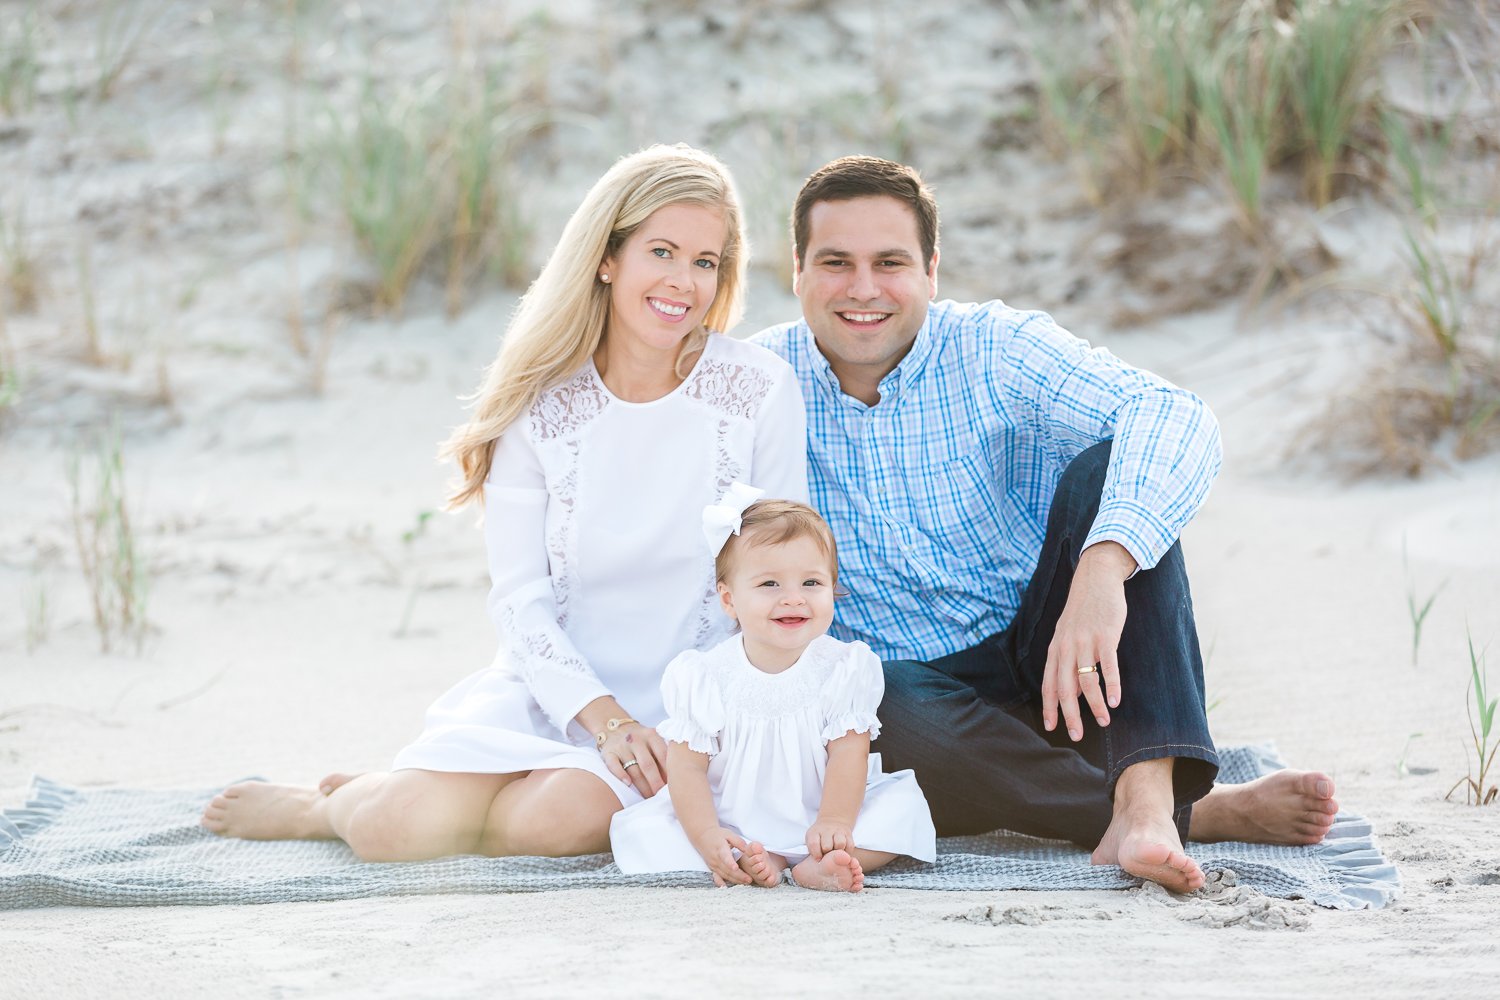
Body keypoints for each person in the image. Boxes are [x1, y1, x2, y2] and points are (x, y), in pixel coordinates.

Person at [201, 144, 808, 861]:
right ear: (607, 257)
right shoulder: (541, 406)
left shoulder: (759, 391)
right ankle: (327, 808)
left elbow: (782, 574)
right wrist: (603, 719)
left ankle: (454, 801)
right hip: (557, 687)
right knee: (398, 830)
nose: (684, 281)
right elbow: (521, 602)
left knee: (558, 822)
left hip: (692, 704)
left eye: (706, 262)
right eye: (663, 251)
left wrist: (706, 727)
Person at [753, 156, 1340, 894]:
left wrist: (1103, 569)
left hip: (1063, 666)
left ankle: (1149, 801)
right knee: (865, 696)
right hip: (910, 715)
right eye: (835, 262)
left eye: (891, 262)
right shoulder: (756, 385)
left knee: (1115, 475)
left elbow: (1172, 414)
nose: (863, 289)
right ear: (797, 270)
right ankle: (1187, 811)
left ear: (931, 271)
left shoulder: (994, 347)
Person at [609, 490, 936, 892]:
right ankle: (752, 857)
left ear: (832, 587)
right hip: (733, 816)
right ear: (729, 599)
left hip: (824, 812)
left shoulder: (844, 667)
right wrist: (707, 835)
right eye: (769, 583)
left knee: (901, 811)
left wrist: (834, 821)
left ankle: (814, 864)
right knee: (657, 833)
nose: (793, 597)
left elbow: (848, 754)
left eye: (811, 582)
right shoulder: (705, 674)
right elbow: (687, 768)